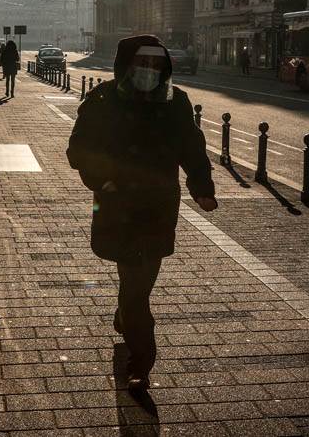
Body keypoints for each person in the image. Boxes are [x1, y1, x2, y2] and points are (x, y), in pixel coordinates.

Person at [66, 34, 217, 392]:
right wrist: (102, 182)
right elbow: (79, 148)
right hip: (117, 204)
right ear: (126, 66)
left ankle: (132, 335)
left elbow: (193, 149)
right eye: (142, 64)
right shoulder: (103, 99)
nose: (148, 71)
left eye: (155, 65)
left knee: (139, 283)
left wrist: (203, 189)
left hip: (158, 206)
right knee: (136, 287)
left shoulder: (176, 101)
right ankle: (139, 358)